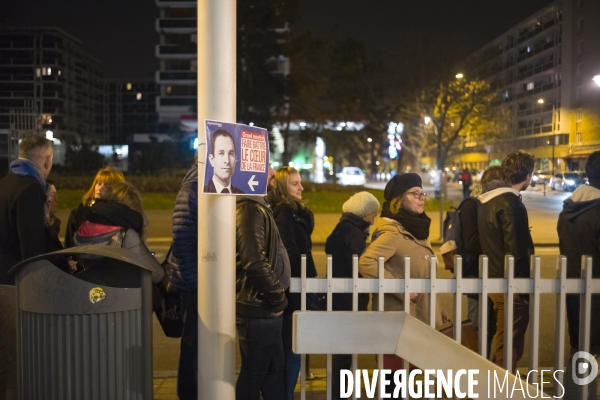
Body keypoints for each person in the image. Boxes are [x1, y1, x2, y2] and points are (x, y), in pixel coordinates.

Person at [359, 173, 447, 389]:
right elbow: (367, 262)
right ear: (399, 199)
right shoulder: (393, 233)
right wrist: (402, 289)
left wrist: (439, 308)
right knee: (394, 384)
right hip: (398, 321)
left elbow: (425, 276)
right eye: (415, 194)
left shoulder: (415, 232)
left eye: (422, 193)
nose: (421, 198)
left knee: (406, 384)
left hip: (415, 319)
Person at [0, 134, 53, 400]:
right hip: (12, 287)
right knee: (19, 363)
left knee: (2, 363)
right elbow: (31, 249)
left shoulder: (4, 184)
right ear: (47, 160)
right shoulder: (31, 188)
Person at [235, 165, 290, 400]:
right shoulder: (249, 208)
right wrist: (278, 300)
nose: (272, 172)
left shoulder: (258, 206)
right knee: (255, 374)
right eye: (266, 166)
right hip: (260, 308)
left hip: (265, 308)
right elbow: (254, 261)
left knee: (273, 372)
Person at [477, 150, 535, 372]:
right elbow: (516, 251)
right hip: (510, 285)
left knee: (503, 341)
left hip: (494, 279)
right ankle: (500, 390)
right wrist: (521, 288)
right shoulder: (511, 203)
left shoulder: (487, 200)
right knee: (509, 345)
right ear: (527, 175)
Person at [267, 166, 317, 400]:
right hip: (293, 289)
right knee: (292, 350)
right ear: (283, 186)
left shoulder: (294, 211)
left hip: (297, 286)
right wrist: (307, 279)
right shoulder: (284, 212)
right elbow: (290, 252)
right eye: (295, 184)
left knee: (293, 349)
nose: (301, 187)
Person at [325, 191, 379, 400]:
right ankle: (340, 393)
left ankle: (338, 392)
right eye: (373, 214)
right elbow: (358, 267)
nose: (374, 219)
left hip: (338, 294)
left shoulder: (342, 227)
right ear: (364, 213)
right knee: (344, 351)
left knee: (341, 349)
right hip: (349, 297)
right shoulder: (355, 234)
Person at [557, 151, 600, 399]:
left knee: (580, 350)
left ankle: (573, 395)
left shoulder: (568, 209)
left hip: (575, 292)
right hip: (596, 292)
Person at [71, 182, 164, 284]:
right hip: (121, 295)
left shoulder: (86, 228)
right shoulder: (126, 235)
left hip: (92, 291)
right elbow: (157, 275)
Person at [455, 166, 502, 356]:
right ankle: (472, 372)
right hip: (474, 273)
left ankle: (483, 369)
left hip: (488, 273)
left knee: (488, 327)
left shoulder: (486, 205)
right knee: (476, 326)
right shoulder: (471, 205)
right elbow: (472, 242)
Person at [170, 157, 201, 400]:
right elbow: (182, 241)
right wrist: (195, 282)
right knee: (192, 346)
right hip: (194, 284)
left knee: (200, 346)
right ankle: (188, 394)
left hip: (200, 282)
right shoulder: (191, 190)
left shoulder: (205, 187)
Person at [64, 167, 125, 248]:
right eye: (99, 183)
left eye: (106, 185)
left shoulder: (120, 214)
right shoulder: (78, 212)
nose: (100, 187)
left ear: (116, 189)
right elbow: (69, 245)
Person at [44, 180, 77, 274]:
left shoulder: (52, 224)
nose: (57, 199)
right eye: (53, 195)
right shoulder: (43, 228)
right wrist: (65, 265)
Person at [204, 129, 244, 194]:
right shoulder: (201, 193)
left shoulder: (241, 194)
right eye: (221, 153)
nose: (227, 161)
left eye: (231, 153)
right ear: (212, 160)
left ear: (235, 159)